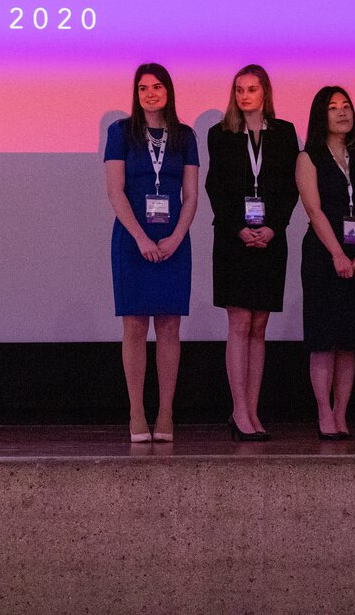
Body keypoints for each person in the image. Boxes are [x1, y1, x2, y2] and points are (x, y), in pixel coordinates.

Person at [103, 63, 200, 443]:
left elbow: (191, 196)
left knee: (170, 326)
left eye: (157, 87)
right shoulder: (120, 132)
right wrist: (141, 238)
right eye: (143, 88)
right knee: (134, 326)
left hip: (173, 239)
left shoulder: (185, 136)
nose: (150, 94)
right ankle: (137, 412)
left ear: (168, 91)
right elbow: (115, 191)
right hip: (133, 240)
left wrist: (176, 237)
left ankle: (165, 413)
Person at [206, 64, 299, 441]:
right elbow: (215, 188)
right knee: (240, 324)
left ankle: (253, 410)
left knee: (260, 326)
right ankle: (239, 411)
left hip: (271, 239)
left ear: (265, 93)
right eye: (239, 90)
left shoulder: (285, 133)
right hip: (234, 240)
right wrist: (239, 228)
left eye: (252, 89)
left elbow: (291, 187)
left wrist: (274, 226)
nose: (245, 96)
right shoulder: (220, 134)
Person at [296, 86, 355, 440]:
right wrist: (337, 254)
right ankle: (324, 412)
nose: (342, 112)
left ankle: (342, 413)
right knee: (323, 340)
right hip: (323, 255)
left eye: (346, 106)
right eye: (333, 107)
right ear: (321, 115)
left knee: (348, 341)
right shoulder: (308, 157)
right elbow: (313, 210)